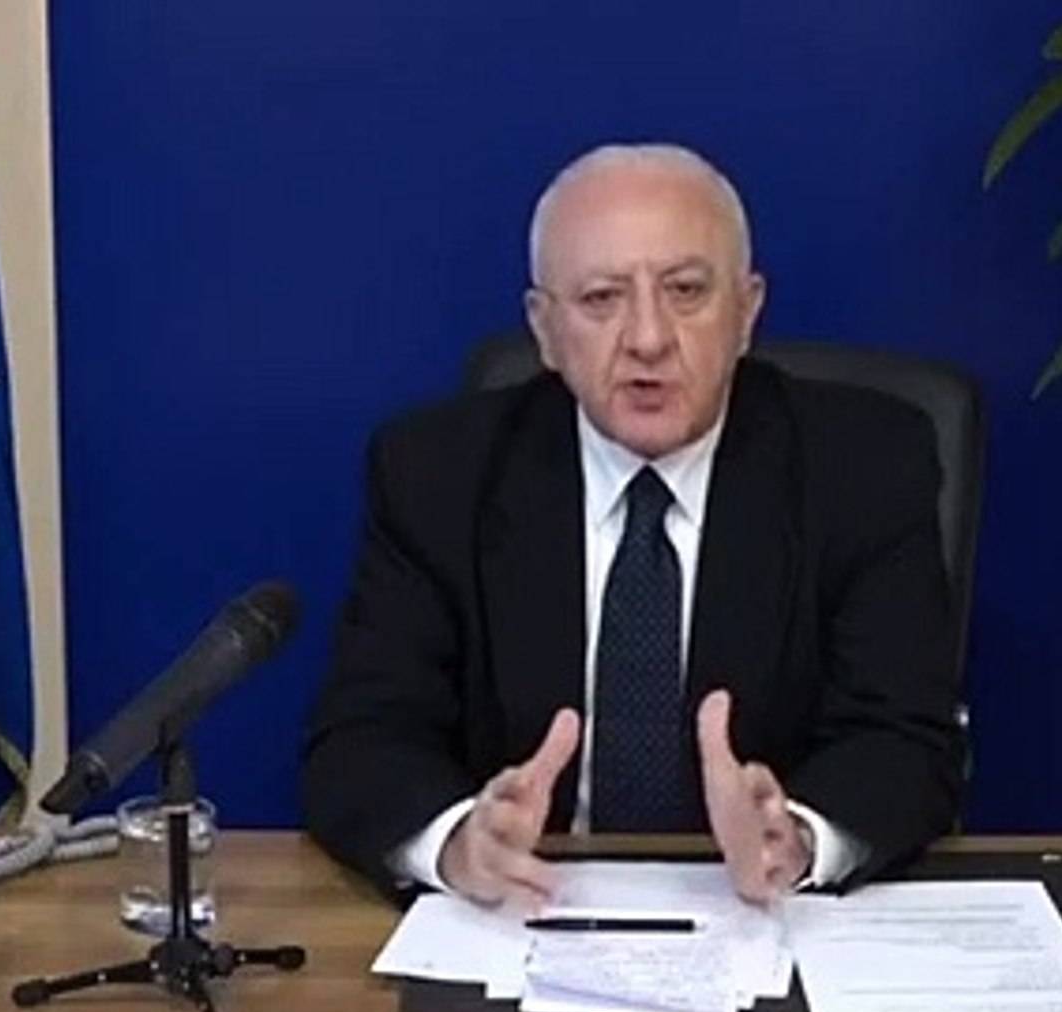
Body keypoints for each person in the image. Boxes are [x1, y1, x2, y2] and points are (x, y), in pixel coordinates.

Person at [304, 143, 962, 908]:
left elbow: (906, 740)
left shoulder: (865, 466)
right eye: (601, 299)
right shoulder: (438, 474)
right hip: (528, 916)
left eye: (686, 291)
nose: (648, 337)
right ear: (545, 330)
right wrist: (455, 841)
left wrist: (798, 836)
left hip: (767, 920)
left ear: (747, 311)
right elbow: (364, 737)